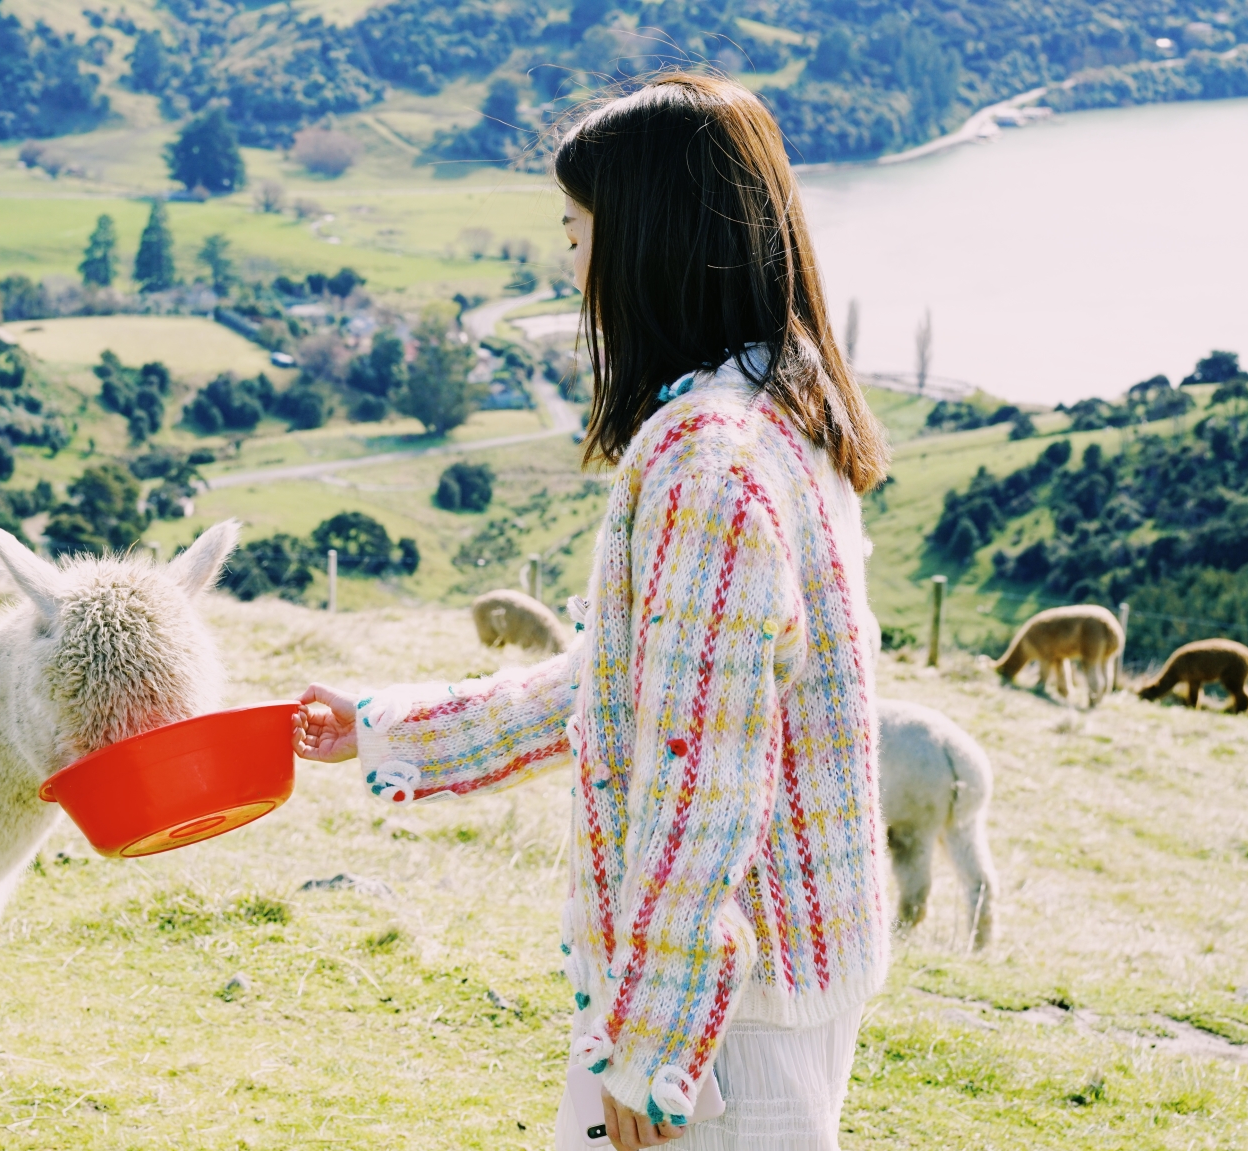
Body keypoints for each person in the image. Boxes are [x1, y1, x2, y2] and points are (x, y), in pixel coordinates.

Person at [294, 72, 892, 1151]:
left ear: (649, 242)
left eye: (576, 232)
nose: (568, 267)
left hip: (718, 1020)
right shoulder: (786, 410)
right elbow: (615, 689)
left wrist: (656, 1040)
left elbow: (697, 765)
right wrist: (385, 727)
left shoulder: (707, 462)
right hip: (783, 963)